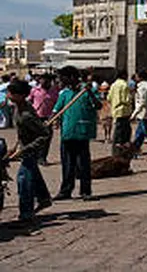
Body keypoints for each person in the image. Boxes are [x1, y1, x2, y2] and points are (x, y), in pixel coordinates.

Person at [5, 79, 52, 229]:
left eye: (11, 93)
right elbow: (22, 133)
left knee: (23, 180)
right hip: (24, 148)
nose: (8, 95)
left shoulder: (27, 114)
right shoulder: (18, 108)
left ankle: (26, 215)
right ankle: (44, 199)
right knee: (33, 175)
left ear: (19, 95)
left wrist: (25, 149)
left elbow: (44, 134)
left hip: (30, 151)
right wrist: (15, 147)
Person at [53, 66, 101, 202]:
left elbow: (98, 106)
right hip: (67, 133)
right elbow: (56, 110)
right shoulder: (65, 94)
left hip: (82, 133)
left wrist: (90, 93)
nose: (60, 80)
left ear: (72, 77)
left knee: (83, 165)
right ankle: (65, 191)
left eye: (63, 77)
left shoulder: (87, 92)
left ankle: (86, 191)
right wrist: (50, 120)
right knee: (67, 164)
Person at [29, 74, 58, 164]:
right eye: (42, 79)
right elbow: (29, 100)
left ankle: (42, 157)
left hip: (49, 118)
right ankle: (34, 156)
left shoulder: (54, 91)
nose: (44, 82)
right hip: (36, 117)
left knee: (46, 138)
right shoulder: (35, 90)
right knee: (35, 137)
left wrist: (55, 118)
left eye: (46, 80)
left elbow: (57, 104)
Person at [107, 69, 133, 152]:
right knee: (125, 132)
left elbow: (109, 98)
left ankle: (115, 149)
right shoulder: (124, 85)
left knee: (118, 131)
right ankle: (120, 150)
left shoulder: (113, 85)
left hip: (115, 110)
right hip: (124, 110)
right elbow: (126, 99)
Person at [131, 71, 147, 152]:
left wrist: (133, 114)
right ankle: (134, 150)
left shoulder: (143, 87)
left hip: (144, 114)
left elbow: (142, 102)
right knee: (139, 135)